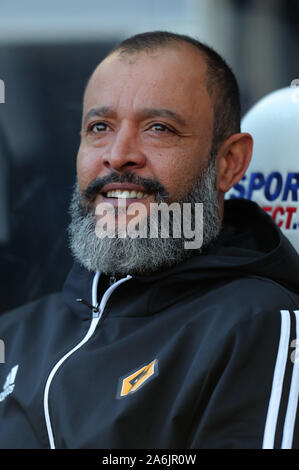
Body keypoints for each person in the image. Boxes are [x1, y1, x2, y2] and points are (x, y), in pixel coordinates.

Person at [0, 31, 299, 450]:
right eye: (99, 127)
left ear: (229, 163)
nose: (119, 153)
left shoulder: (258, 323)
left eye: (159, 128)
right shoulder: (16, 332)